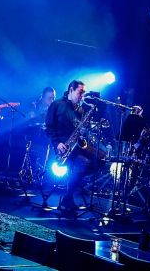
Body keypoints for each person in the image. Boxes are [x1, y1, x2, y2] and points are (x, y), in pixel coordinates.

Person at [45, 79, 102, 217]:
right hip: (61, 147)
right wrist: (57, 143)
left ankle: (70, 193)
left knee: (100, 159)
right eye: (80, 92)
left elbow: (79, 132)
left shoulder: (80, 110)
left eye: (83, 93)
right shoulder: (57, 104)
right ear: (71, 89)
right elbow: (49, 127)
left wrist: (83, 132)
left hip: (76, 146)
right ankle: (69, 197)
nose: (82, 96)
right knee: (83, 163)